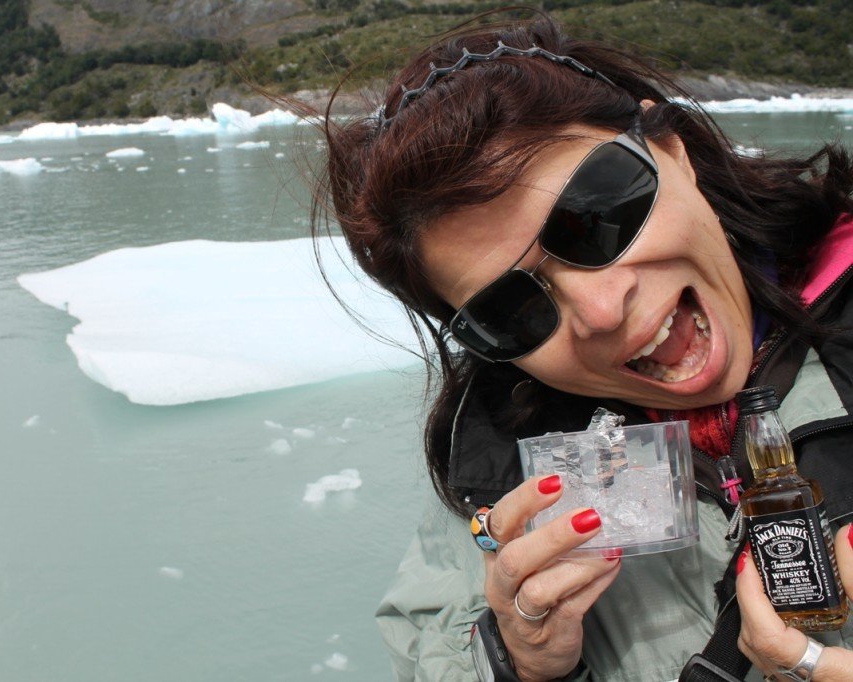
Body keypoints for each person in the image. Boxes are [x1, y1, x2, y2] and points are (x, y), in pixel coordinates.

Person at [306, 11, 853, 682]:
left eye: (598, 218)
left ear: (673, 152)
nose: (601, 310)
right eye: (510, 309)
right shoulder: (503, 470)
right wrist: (520, 661)